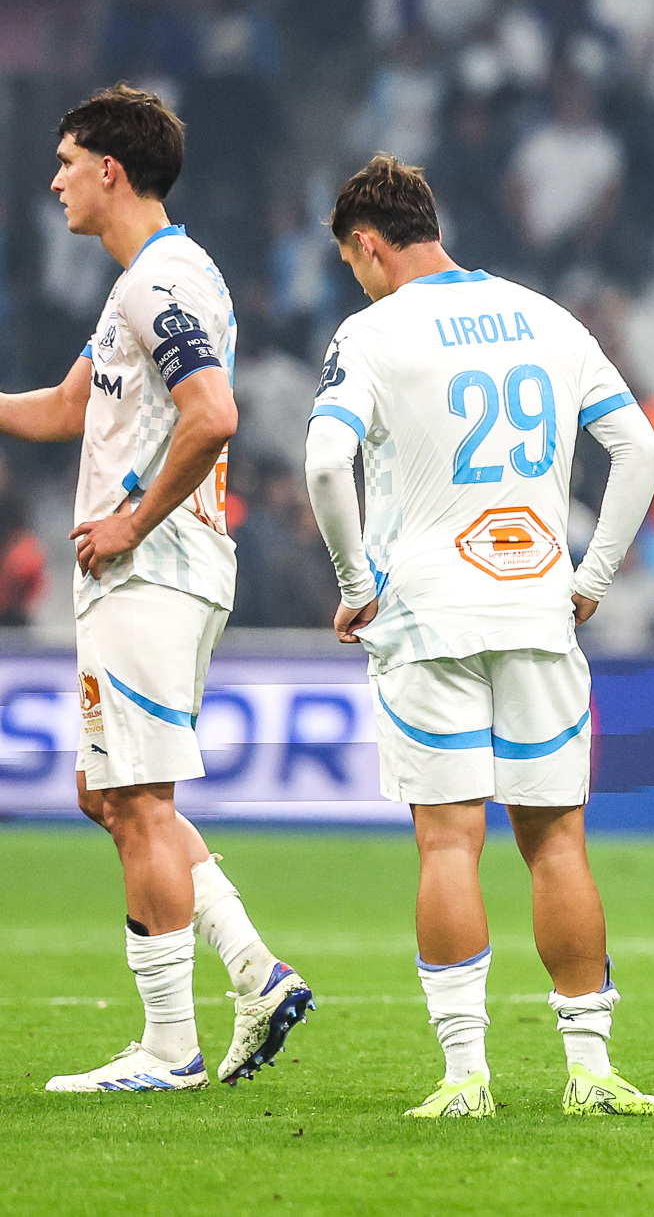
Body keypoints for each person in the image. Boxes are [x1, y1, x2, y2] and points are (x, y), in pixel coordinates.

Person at [304, 156, 654, 1119]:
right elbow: (642, 448)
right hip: (536, 603)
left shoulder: (372, 331)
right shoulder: (548, 316)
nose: (358, 277)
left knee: (448, 844)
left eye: (354, 262)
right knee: (556, 842)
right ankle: (591, 1070)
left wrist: (356, 582)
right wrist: (590, 578)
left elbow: (324, 462)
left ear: (369, 245)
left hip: (426, 611)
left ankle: (466, 1077)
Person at [0, 85, 311, 1093]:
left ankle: (168, 1046)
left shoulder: (159, 282)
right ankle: (255, 973)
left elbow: (212, 413)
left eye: (65, 161)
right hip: (149, 575)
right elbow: (59, 408)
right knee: (109, 792)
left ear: (111, 171)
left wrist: (131, 516)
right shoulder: (146, 280)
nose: (51, 181)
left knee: (136, 798)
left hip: (149, 572)